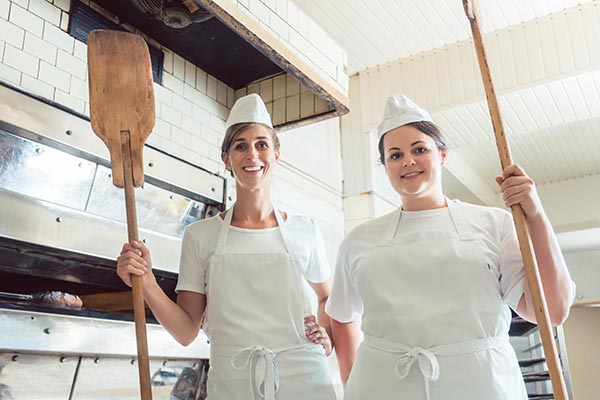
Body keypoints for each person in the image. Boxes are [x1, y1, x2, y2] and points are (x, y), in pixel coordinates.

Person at [325, 94, 575, 400]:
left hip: (482, 386)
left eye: (419, 149)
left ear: (442, 155)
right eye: (395, 155)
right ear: (385, 166)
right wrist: (353, 382)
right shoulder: (359, 240)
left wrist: (535, 216)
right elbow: (341, 314)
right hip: (383, 387)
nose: (408, 161)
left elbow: (552, 311)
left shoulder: (493, 224)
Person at [117, 94, 337, 400]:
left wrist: (327, 338)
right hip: (233, 383)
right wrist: (149, 284)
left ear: (276, 154)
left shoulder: (305, 231)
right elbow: (186, 331)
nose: (252, 154)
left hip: (305, 379)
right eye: (240, 146)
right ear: (227, 159)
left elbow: (328, 297)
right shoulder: (201, 236)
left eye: (262, 144)